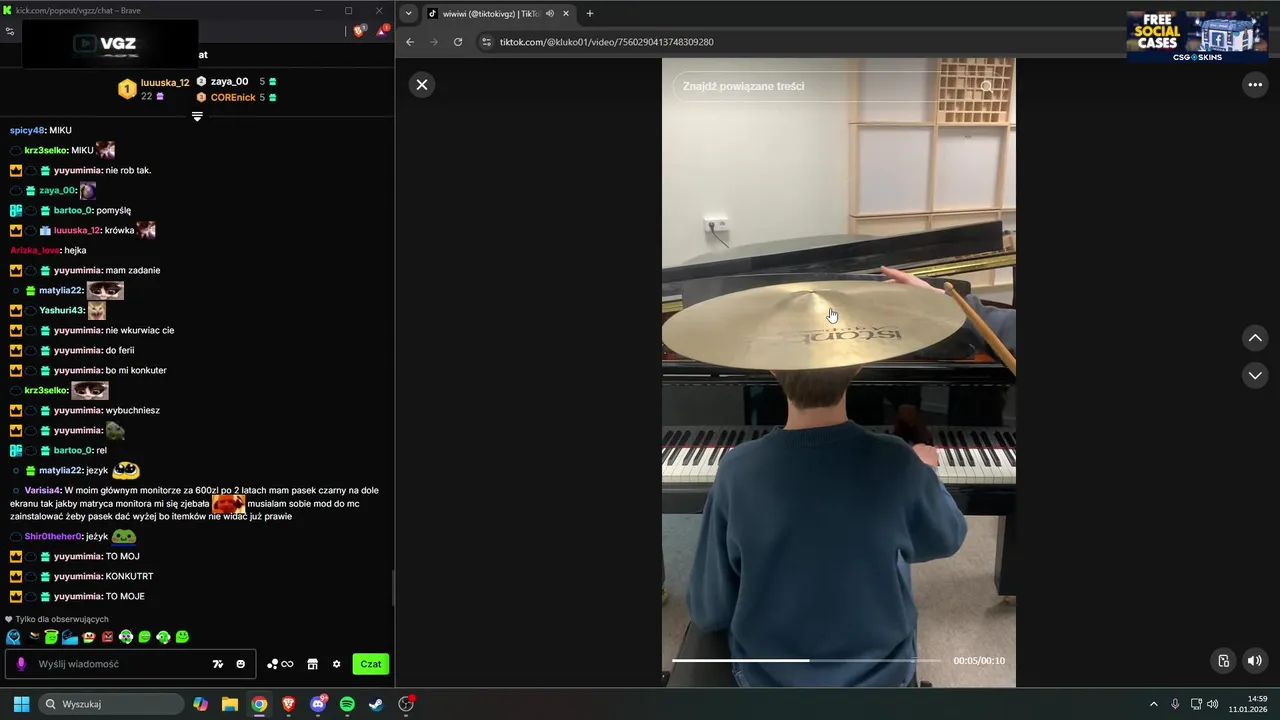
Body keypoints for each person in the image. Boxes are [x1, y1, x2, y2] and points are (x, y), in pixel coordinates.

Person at [686, 365, 968, 688]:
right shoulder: (898, 459)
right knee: (895, 554)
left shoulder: (736, 470)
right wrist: (924, 473)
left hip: (768, 680)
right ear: (859, 364)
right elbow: (947, 536)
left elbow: (708, 609)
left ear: (773, 368)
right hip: (881, 678)